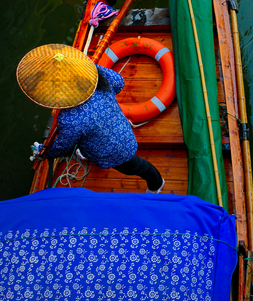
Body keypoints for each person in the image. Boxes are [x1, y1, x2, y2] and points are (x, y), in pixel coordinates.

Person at [16, 43, 165, 193]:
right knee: (86, 137)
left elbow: (62, 147)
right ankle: (85, 153)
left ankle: (157, 183)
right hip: (119, 128)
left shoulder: (69, 120)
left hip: (116, 150)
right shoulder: (95, 73)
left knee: (135, 166)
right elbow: (119, 82)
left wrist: (43, 151)